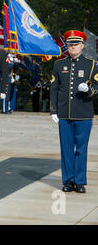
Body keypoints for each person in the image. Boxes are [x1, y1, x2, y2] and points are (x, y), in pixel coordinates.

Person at [50, 30, 98, 194]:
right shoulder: (59, 64)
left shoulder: (91, 65)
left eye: (76, 44)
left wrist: (89, 90)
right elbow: (54, 88)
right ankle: (68, 180)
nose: (72, 47)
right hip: (64, 113)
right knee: (66, 148)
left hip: (83, 113)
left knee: (81, 149)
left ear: (82, 46)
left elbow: (97, 87)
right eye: (70, 44)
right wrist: (53, 110)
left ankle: (79, 181)